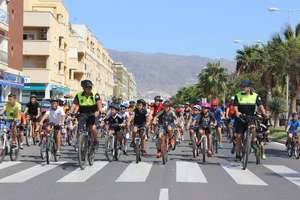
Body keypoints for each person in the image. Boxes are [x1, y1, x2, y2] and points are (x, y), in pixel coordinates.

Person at [234, 80, 267, 161]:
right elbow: (235, 106)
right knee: (238, 137)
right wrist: (237, 112)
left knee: (253, 127)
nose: (242, 88)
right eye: (242, 86)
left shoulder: (255, 96)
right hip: (241, 117)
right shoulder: (237, 95)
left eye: (244, 86)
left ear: (249, 88)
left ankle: (254, 141)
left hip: (251, 117)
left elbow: (260, 105)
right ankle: (238, 155)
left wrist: (264, 114)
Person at [70, 80, 102, 149]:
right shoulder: (79, 95)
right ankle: (78, 142)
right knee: (80, 128)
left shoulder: (95, 94)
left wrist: (99, 111)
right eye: (88, 88)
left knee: (92, 127)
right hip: (83, 113)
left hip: (93, 113)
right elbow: (74, 104)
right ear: (84, 88)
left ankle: (96, 141)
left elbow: (99, 103)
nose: (89, 89)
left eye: (90, 87)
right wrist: (71, 111)